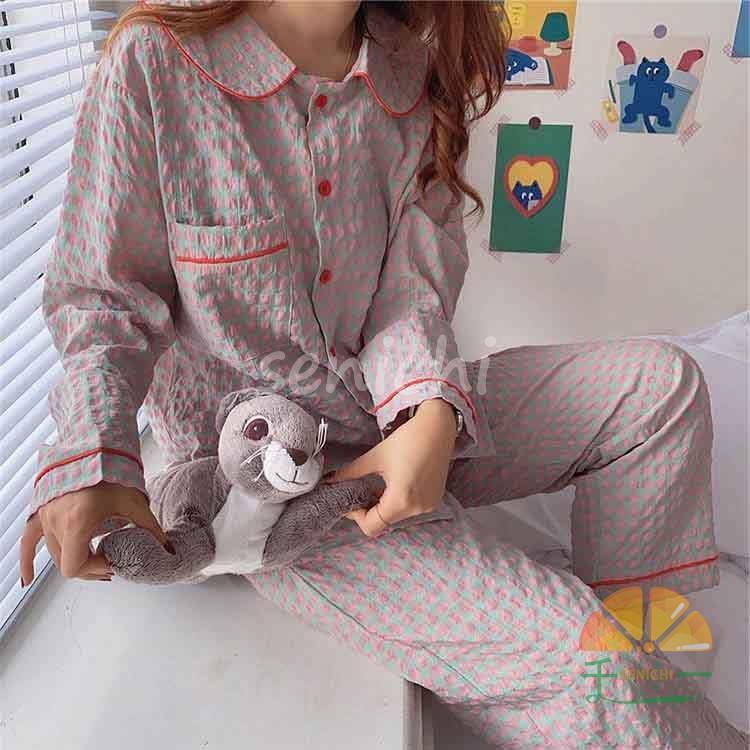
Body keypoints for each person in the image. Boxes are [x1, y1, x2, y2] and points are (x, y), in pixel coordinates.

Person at [19, 2, 748, 746]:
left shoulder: (412, 74)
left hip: (389, 408)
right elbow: (104, 298)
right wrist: (92, 452)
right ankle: (624, 685)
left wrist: (431, 411)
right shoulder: (158, 61)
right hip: (276, 489)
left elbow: (410, 292)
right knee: (594, 662)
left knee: (661, 388)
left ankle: (646, 655)